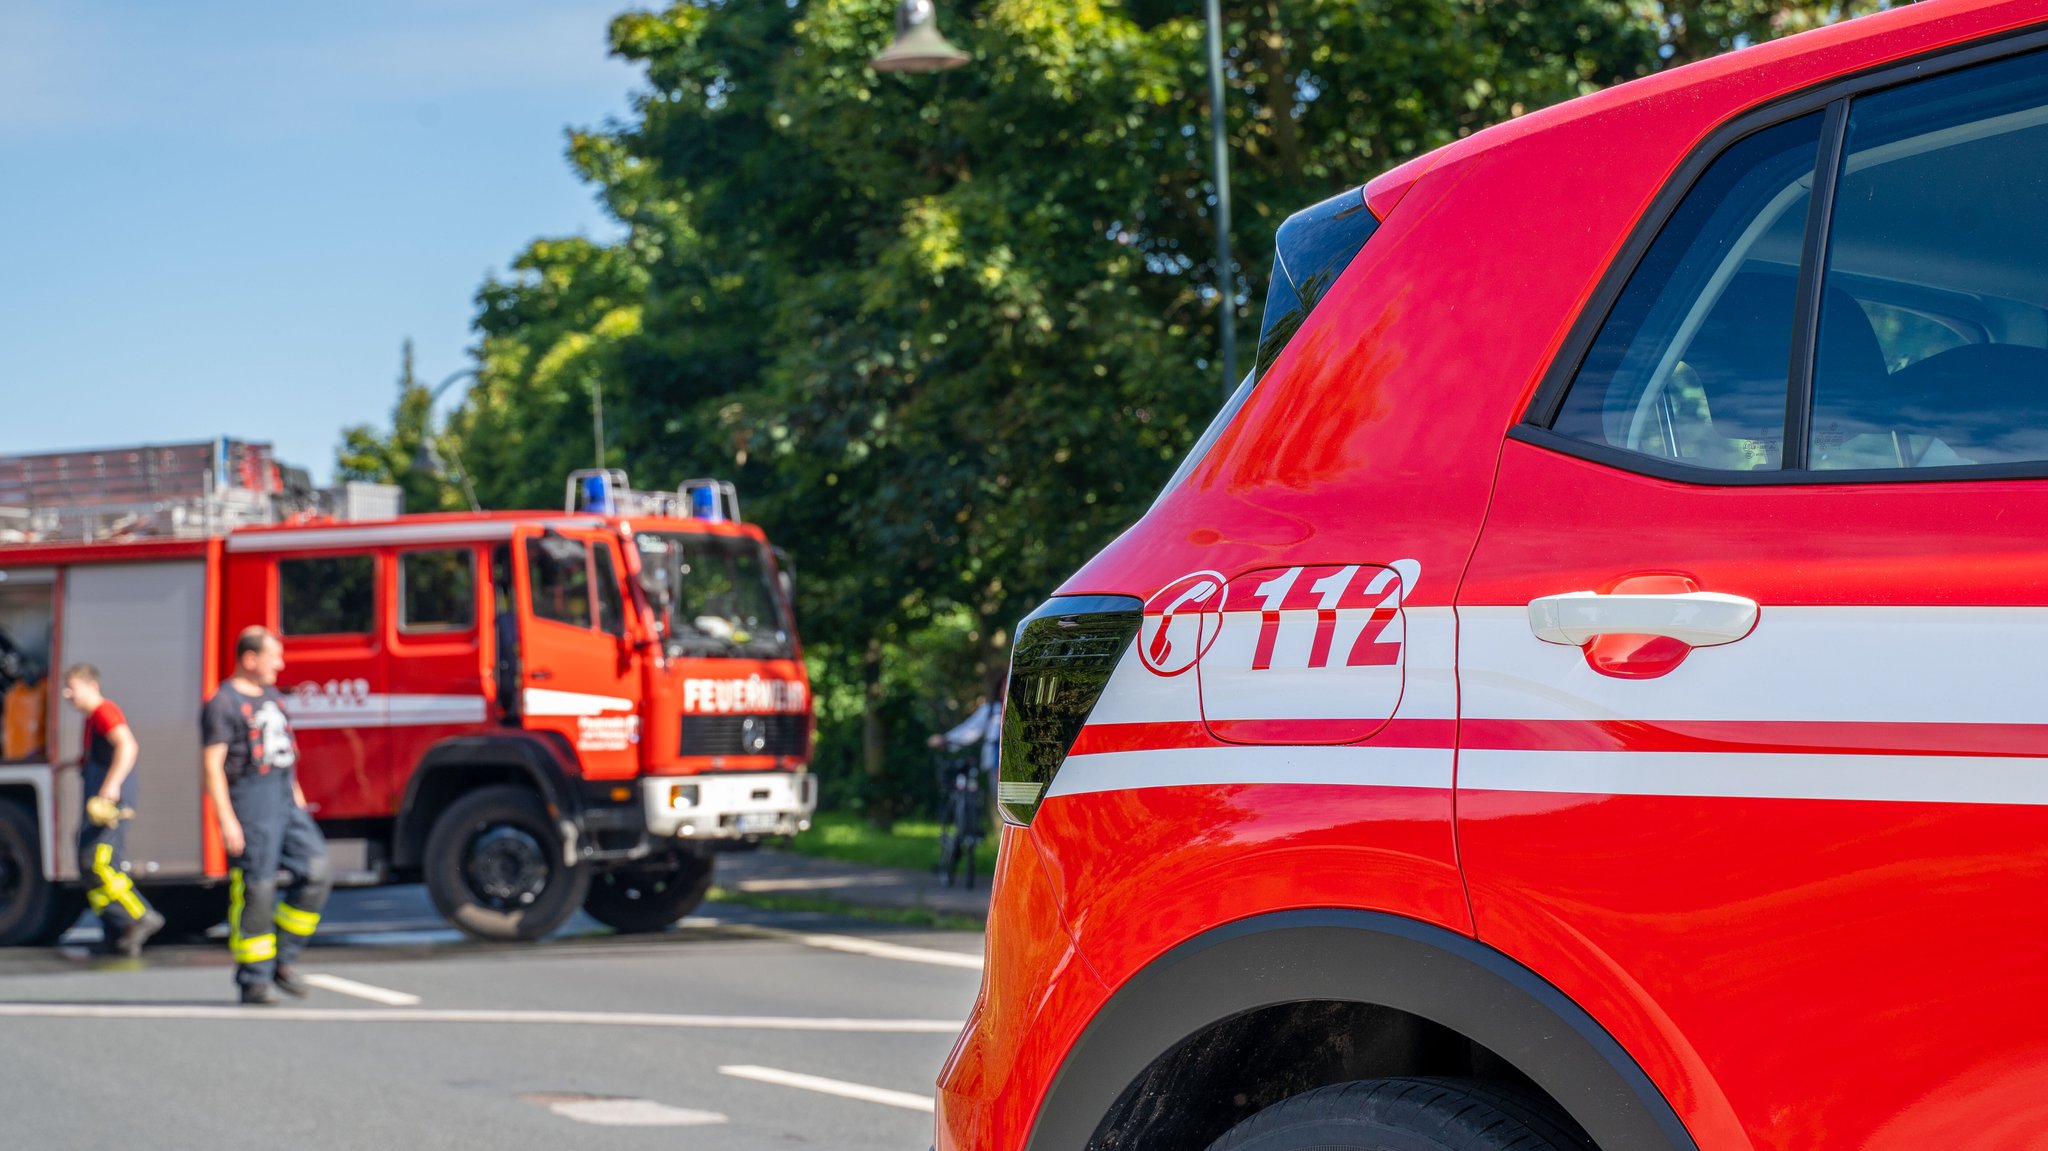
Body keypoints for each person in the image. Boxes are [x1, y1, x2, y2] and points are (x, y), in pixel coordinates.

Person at [201, 626, 330, 1006]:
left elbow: (285, 751)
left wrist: (297, 798)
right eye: (274, 656)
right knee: (258, 888)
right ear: (250, 659)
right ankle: (253, 979)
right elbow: (212, 766)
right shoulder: (222, 703)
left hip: (283, 798)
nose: (281, 664)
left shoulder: (272, 697)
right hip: (250, 799)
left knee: (317, 870)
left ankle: (283, 957)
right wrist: (227, 820)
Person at [59, 665, 164, 957]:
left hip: (109, 803)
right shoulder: (93, 719)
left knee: (99, 862)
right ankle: (118, 931)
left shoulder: (105, 711)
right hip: (99, 802)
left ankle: (140, 916)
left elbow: (127, 746)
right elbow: (101, 753)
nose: (67, 694)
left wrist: (112, 784)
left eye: (72, 687)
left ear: (90, 686)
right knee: (89, 865)